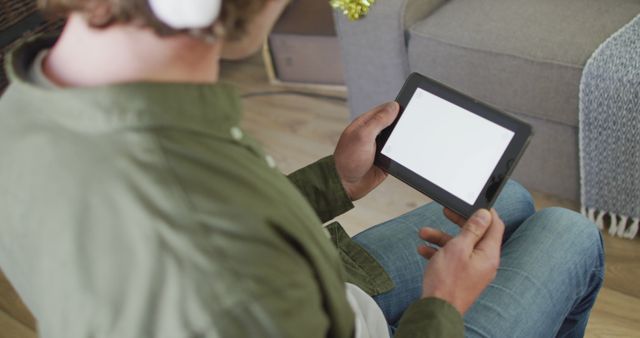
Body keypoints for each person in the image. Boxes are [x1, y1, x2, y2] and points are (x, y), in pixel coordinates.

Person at [0, 0, 604, 337]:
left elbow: (235, 226)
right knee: (572, 233)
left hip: (322, 294)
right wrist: (443, 302)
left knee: (512, 200)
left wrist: (333, 181)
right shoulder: (199, 231)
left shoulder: (25, 101)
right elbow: (223, 246)